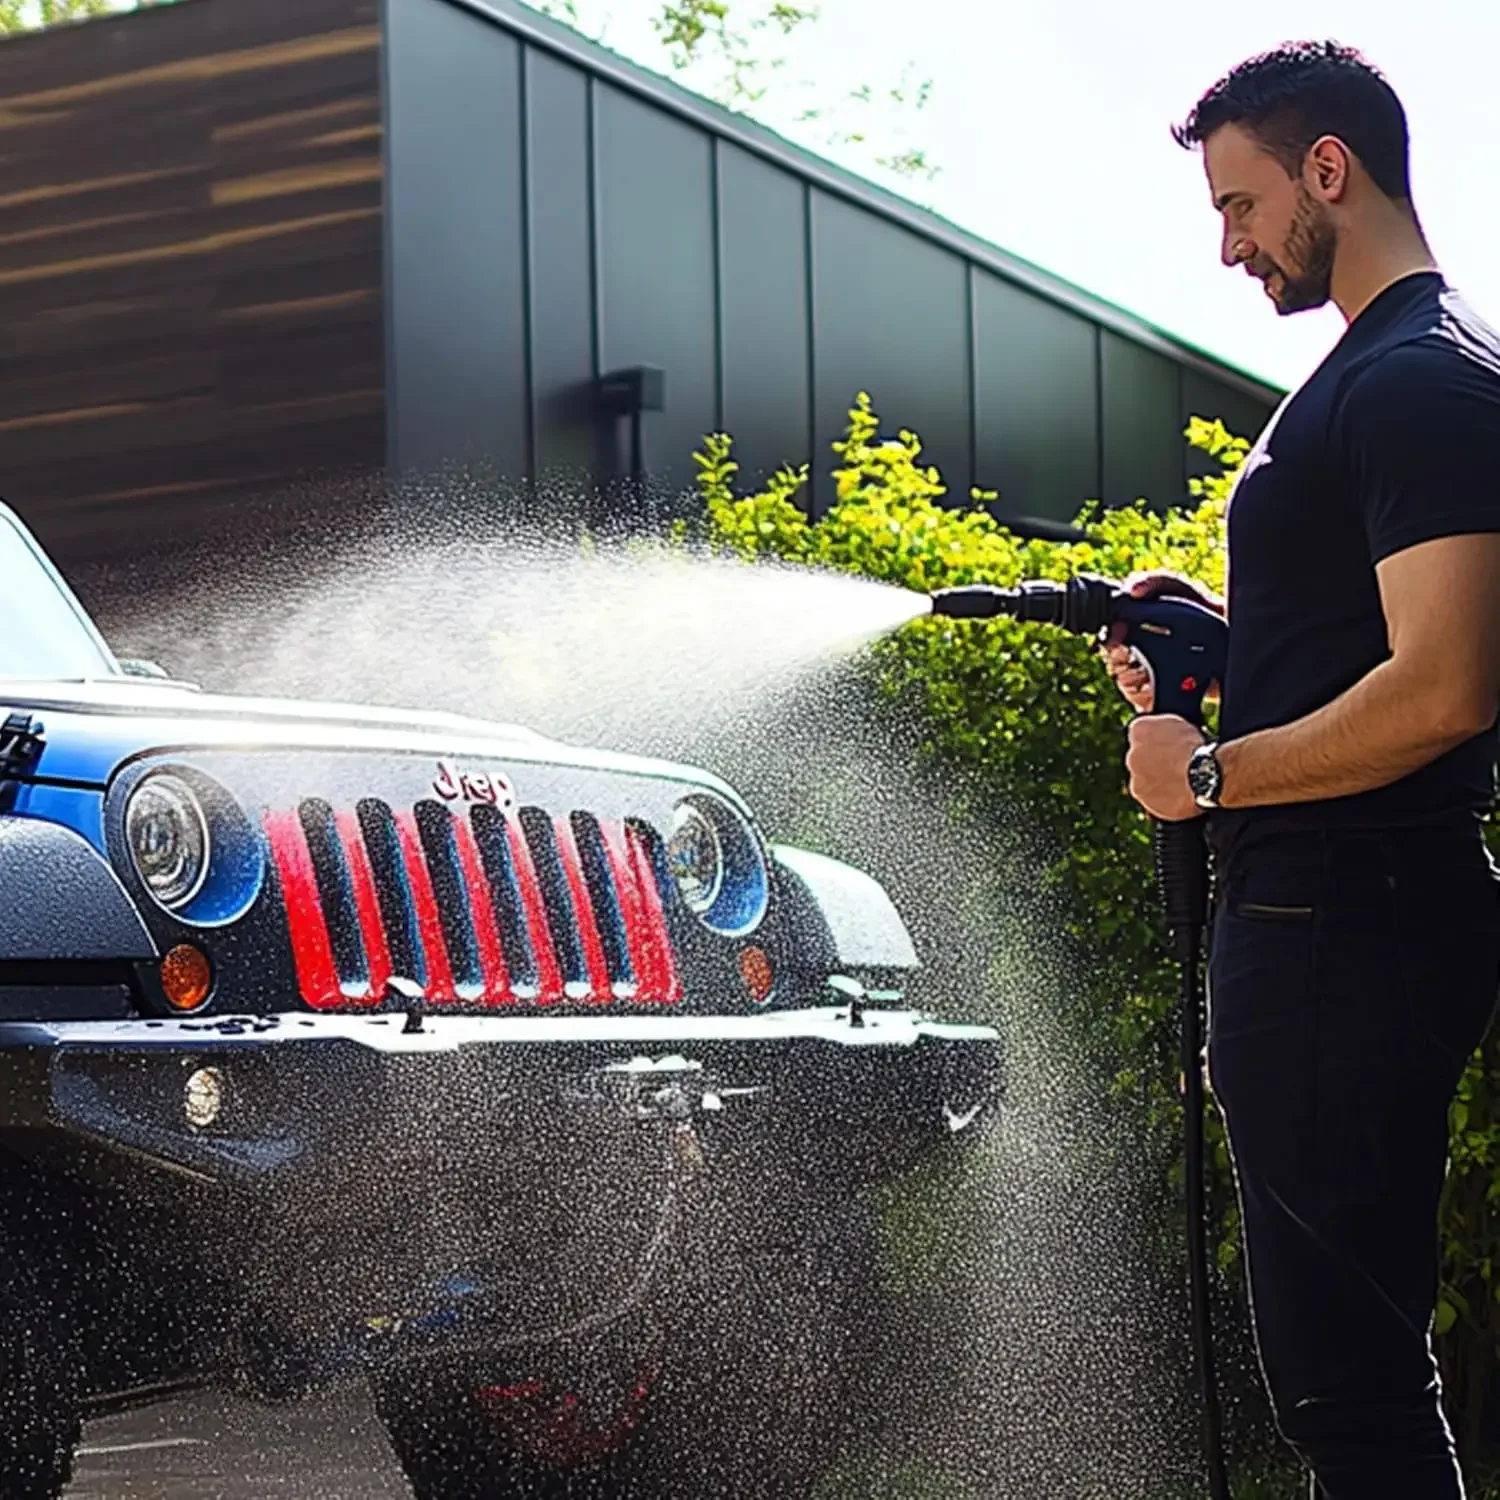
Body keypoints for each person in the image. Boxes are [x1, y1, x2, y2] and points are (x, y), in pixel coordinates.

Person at [1102, 40, 1500, 1500]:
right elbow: (1364, 651)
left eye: (1241, 204)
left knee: (1351, 1399)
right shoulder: (1372, 377)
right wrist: (1210, 644)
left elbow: (1449, 684)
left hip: (1351, 924)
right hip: (1336, 920)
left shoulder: (1424, 380)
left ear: (1327, 168)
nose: (1229, 245)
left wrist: (1202, 780)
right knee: (1349, 1386)